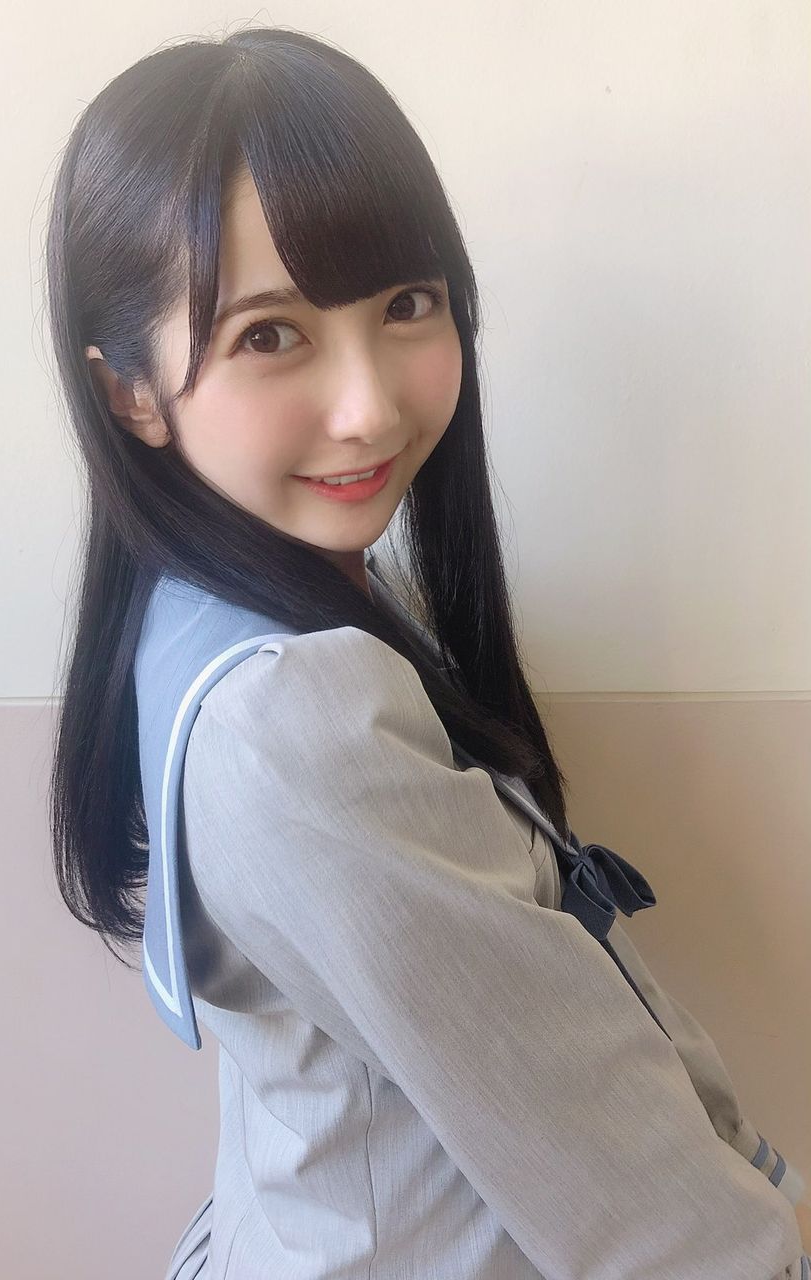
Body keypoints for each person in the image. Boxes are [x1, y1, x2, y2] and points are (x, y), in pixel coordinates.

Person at [43, 25, 810, 1280]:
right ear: (129, 389)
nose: (369, 407)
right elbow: (653, 1217)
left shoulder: (213, 608)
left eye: (405, 304)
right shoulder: (293, 715)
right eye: (269, 334)